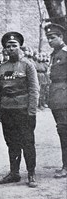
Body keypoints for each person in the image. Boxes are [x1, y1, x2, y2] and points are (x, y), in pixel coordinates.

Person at [0, 32, 39, 188]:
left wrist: (32, 111)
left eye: (14, 46)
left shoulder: (27, 65)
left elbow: (34, 89)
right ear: (5, 49)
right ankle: (14, 173)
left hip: (23, 109)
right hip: (7, 109)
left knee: (27, 142)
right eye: (8, 46)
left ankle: (31, 173)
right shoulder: (2, 68)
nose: (11, 49)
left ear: (20, 47)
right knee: (11, 143)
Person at [44, 23, 67, 178]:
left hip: (64, 96)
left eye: (52, 37)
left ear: (61, 37)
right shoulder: (54, 54)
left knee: (65, 131)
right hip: (56, 98)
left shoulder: (65, 53)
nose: (49, 40)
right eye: (48, 38)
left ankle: (66, 166)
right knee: (62, 131)